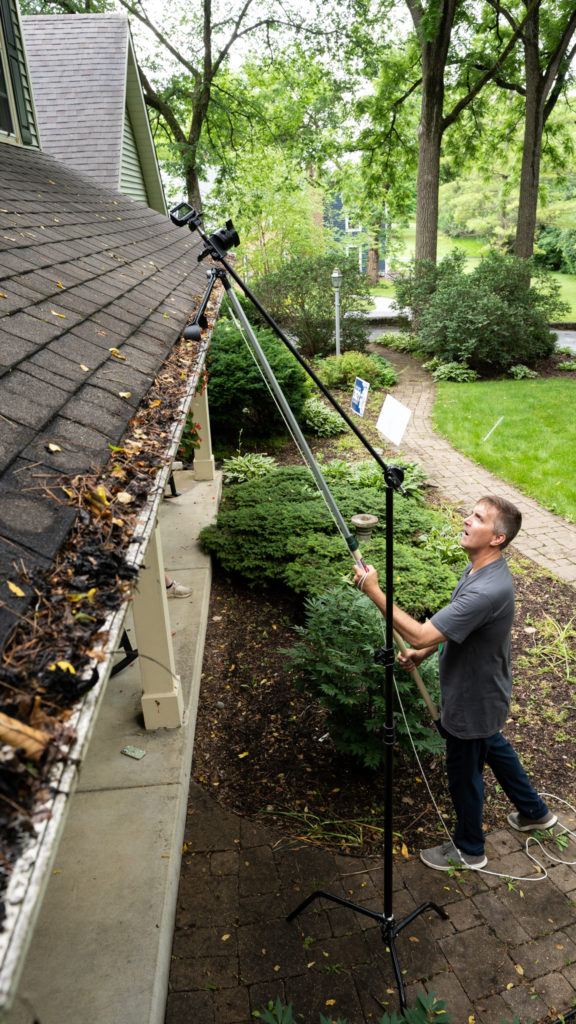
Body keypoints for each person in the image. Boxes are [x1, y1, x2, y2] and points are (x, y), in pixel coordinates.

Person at [353, 494, 556, 872]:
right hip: (484, 694)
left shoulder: (486, 589)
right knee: (493, 746)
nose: (466, 520)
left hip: (472, 700)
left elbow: (420, 633)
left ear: (497, 538)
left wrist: (374, 592)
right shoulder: (481, 570)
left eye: (477, 518)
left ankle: (469, 849)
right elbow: (452, 631)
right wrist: (423, 654)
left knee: (464, 774)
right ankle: (535, 813)